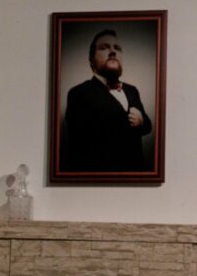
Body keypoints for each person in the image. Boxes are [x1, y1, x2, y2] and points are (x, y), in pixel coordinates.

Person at [62, 29, 153, 173]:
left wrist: (142, 122)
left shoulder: (132, 90)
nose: (113, 52)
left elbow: (148, 126)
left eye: (117, 48)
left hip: (136, 178)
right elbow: (81, 145)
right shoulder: (78, 93)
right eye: (104, 48)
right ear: (91, 59)